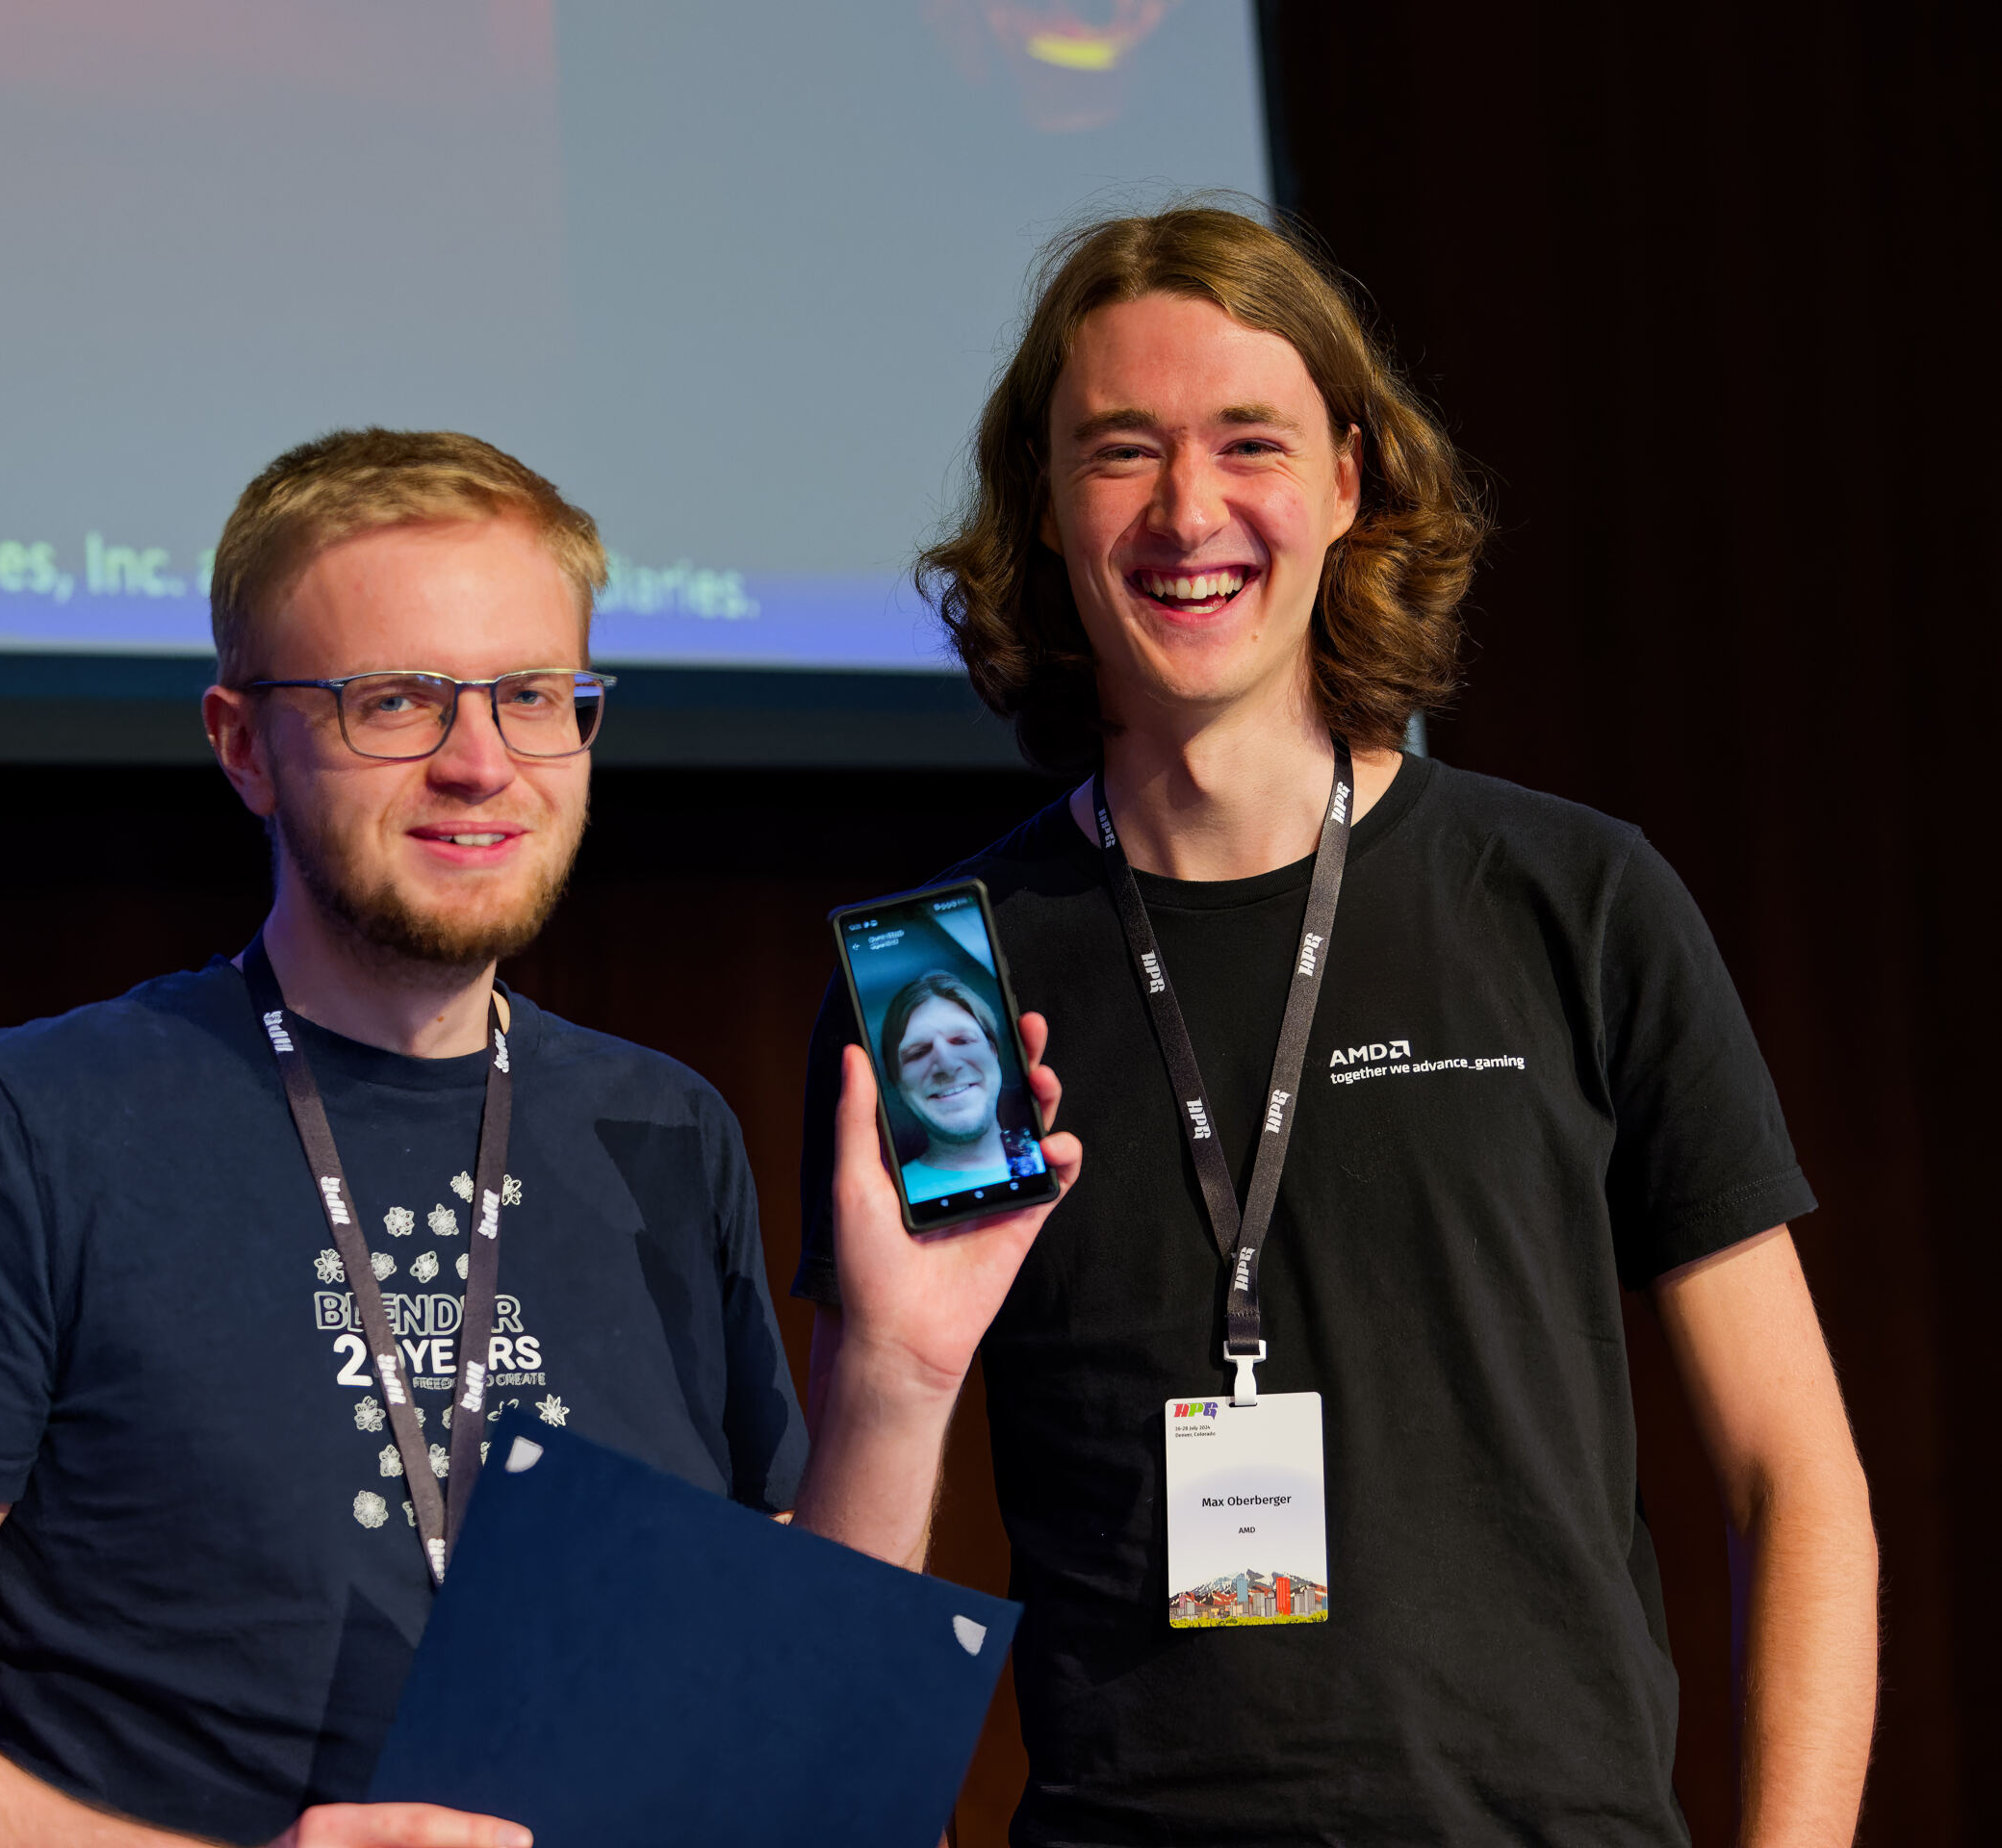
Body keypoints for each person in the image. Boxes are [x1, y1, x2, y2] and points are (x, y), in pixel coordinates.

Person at [789, 204, 1876, 1845]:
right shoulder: (943, 986)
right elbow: (850, 1605)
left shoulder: (1569, 900)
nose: (1186, 510)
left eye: (1249, 442)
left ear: (1347, 480)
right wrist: (887, 1361)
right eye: (1117, 450)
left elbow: (1794, 1483)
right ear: (1041, 505)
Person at [0, 428, 808, 1848]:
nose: (482, 764)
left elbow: (773, 1687)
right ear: (243, 747)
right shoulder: (39, 1125)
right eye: (396, 701)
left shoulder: (664, 1124)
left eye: (533, 695)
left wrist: (902, 1364)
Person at [880, 970, 1044, 1201]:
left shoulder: (1044, 1163)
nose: (946, 1064)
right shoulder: (887, 1198)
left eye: (962, 1040)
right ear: (896, 1082)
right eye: (918, 1053)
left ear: (993, 1051)